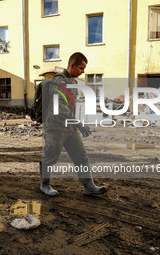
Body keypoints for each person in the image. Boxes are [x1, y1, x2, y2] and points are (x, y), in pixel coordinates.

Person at [40, 52, 108, 196]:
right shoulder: (60, 82)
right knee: (50, 157)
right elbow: (61, 108)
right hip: (55, 127)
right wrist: (78, 124)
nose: (83, 71)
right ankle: (44, 185)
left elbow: (71, 106)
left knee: (81, 156)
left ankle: (88, 185)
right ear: (72, 65)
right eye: (81, 68)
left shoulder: (73, 82)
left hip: (70, 127)